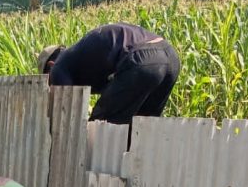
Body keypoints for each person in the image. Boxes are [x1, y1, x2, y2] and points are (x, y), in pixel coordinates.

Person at [38, 23, 181, 125]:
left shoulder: (58, 66)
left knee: (100, 125)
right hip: (171, 58)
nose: (51, 87)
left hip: (142, 59)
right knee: (141, 129)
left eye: (49, 82)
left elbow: (66, 116)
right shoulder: (83, 58)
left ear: (50, 66)